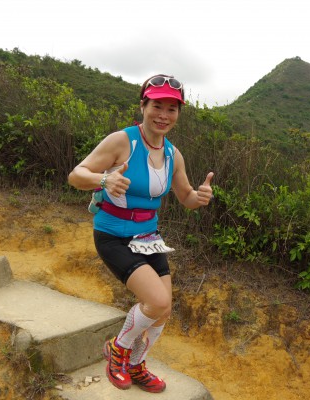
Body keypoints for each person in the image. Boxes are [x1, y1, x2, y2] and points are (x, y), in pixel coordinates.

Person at [67, 74, 214, 393]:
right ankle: (117, 350)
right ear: (143, 106)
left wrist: (199, 197)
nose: (163, 115)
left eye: (172, 109)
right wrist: (104, 180)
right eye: (157, 106)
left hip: (148, 237)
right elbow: (76, 175)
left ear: (178, 114)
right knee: (156, 300)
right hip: (113, 234)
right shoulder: (122, 141)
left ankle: (136, 363)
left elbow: (186, 197)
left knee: (163, 310)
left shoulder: (173, 155)